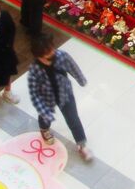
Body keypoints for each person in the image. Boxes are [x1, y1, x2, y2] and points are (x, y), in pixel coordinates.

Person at [28, 33, 93, 162]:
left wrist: (81, 80)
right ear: (39, 56)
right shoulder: (34, 69)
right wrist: (43, 109)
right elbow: (34, 91)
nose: (52, 52)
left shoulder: (61, 56)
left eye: (52, 48)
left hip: (65, 93)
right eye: (48, 52)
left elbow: (73, 67)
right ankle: (44, 129)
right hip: (46, 97)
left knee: (73, 119)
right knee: (45, 117)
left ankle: (81, 144)